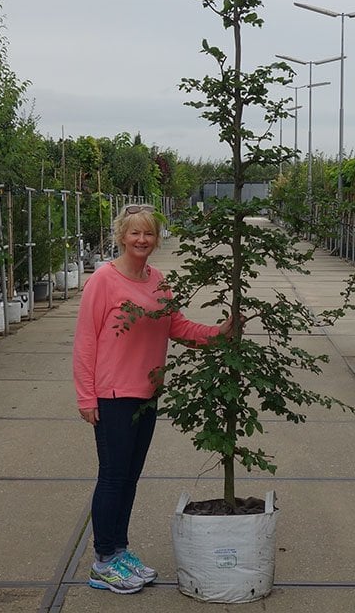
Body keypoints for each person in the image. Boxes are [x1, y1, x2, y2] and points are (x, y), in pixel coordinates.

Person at [72, 203, 238, 594]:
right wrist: (86, 397)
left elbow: (175, 325)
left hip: (147, 393)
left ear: (156, 238)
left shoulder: (158, 279)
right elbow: (85, 341)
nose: (142, 240)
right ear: (121, 236)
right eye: (134, 233)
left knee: (129, 477)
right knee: (112, 477)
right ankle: (103, 561)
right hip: (113, 394)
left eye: (148, 233)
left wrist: (219, 333)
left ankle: (119, 549)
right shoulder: (103, 280)